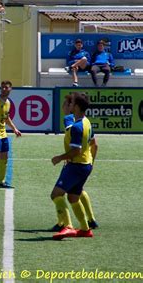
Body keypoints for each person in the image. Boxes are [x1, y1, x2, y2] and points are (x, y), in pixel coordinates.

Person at [51, 92, 97, 240]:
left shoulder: (77, 127)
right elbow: (94, 145)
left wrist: (60, 157)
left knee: (56, 194)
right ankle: (85, 229)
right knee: (73, 198)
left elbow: (76, 151)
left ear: (76, 107)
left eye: (71, 104)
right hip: (85, 165)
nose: (69, 105)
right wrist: (91, 163)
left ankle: (68, 226)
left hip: (76, 166)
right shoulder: (86, 122)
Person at [0, 81, 21, 189]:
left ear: (10, 89)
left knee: (4, 156)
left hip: (3, 132)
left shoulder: (8, 102)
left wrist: (14, 129)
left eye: (6, 87)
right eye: (2, 87)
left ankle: (1, 181)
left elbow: (6, 117)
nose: (4, 89)